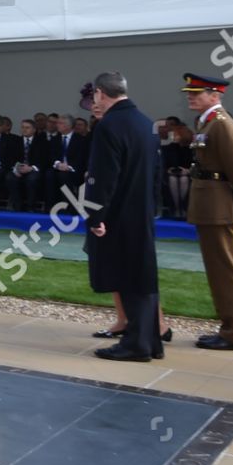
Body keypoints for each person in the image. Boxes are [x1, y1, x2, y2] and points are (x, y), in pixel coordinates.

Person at [83, 72, 164, 362]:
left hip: (118, 213)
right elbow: (157, 174)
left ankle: (136, 345)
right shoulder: (146, 123)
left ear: (101, 94)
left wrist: (95, 215)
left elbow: (103, 177)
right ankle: (149, 341)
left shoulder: (109, 126)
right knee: (142, 276)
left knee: (128, 279)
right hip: (142, 210)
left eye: (95, 96)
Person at [184, 72, 233, 352]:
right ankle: (229, 328)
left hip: (219, 206)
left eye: (197, 93)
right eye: (190, 93)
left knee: (227, 271)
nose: (191, 97)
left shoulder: (222, 125)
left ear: (215, 96)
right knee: (218, 272)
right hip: (208, 205)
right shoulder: (207, 122)